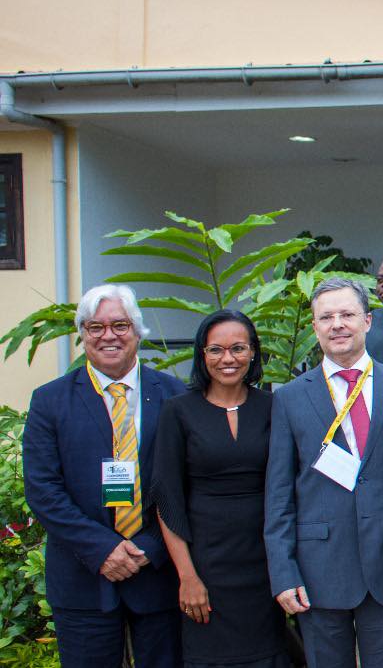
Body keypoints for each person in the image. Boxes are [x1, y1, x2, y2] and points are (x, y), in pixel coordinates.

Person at [23, 284, 186, 666]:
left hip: (159, 575)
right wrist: (103, 549)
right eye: (95, 327)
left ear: (137, 331)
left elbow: (189, 483)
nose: (108, 335)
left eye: (119, 325)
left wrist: (150, 547)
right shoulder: (50, 401)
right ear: (82, 334)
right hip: (83, 578)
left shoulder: (175, 395)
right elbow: (43, 490)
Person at [265, 278, 383, 668]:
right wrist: (283, 572)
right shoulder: (289, 397)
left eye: (347, 314)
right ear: (314, 327)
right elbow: (279, 493)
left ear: (368, 321)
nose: (337, 325)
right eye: (326, 317)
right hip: (319, 571)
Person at [153, 310, 289, 667]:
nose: (227, 358)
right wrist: (187, 577)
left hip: (264, 567)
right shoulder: (177, 411)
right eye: (216, 349)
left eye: (238, 348)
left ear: (253, 352)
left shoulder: (274, 406)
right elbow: (167, 501)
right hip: (205, 568)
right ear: (202, 354)